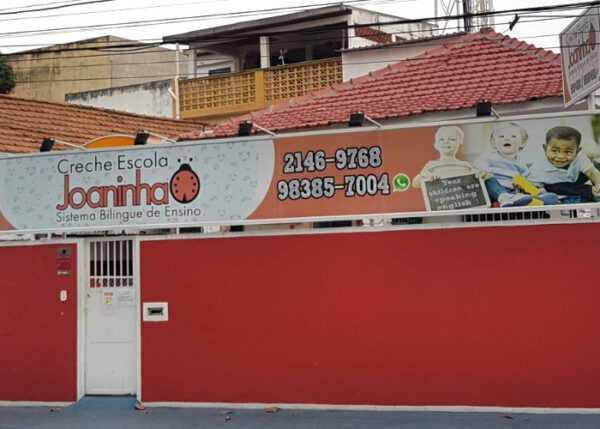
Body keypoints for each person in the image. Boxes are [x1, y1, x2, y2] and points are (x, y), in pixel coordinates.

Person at [473, 122, 558, 206]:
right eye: (501, 136)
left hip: (513, 192)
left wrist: (521, 186)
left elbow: (528, 180)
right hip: (495, 191)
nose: (506, 139)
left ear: (522, 143)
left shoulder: (521, 164)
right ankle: (505, 198)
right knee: (489, 181)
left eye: (513, 136)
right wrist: (482, 172)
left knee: (527, 182)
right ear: (494, 143)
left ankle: (539, 196)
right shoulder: (488, 157)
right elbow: (477, 168)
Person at [528, 126, 600, 202]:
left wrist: (598, 182)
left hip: (576, 178)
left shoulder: (579, 157)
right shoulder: (538, 169)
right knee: (554, 188)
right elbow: (530, 185)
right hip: (561, 186)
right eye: (555, 151)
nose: (561, 156)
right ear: (545, 149)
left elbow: (591, 172)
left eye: (568, 152)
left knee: (594, 165)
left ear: (577, 151)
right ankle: (593, 192)